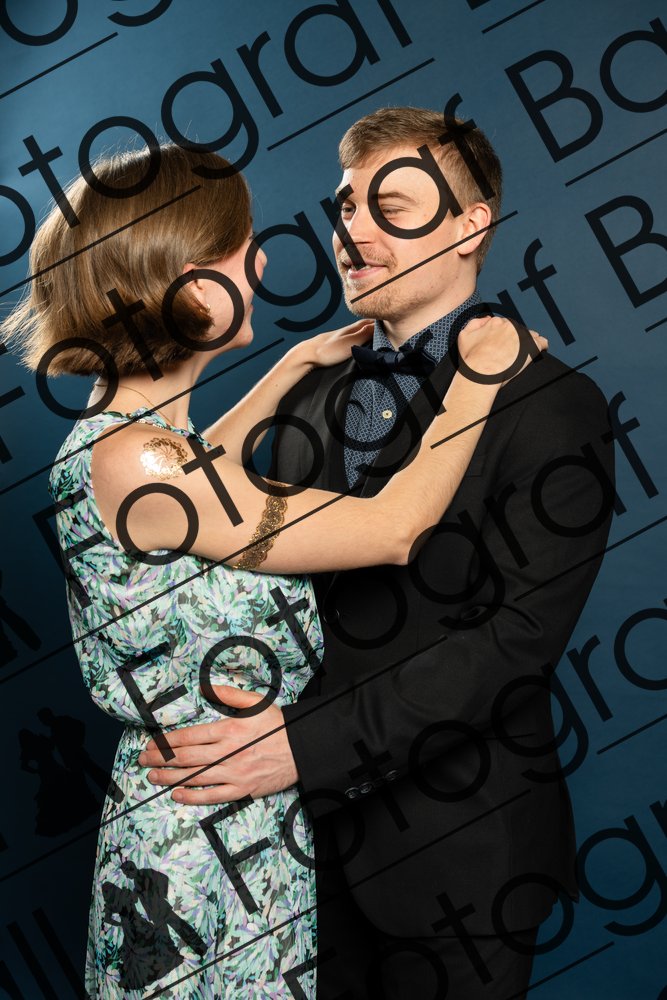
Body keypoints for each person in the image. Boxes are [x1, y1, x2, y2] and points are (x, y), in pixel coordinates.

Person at [2, 141, 544, 998]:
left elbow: (197, 471)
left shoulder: (139, 448)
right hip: (200, 854)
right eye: (239, 251)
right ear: (188, 283)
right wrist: (477, 376)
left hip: (247, 829)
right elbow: (395, 529)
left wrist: (286, 371)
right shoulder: (138, 465)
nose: (260, 265)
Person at [139, 109, 615, 999]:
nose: (351, 232)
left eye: (388, 209)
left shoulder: (553, 406)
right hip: (281, 856)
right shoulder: (306, 389)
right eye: (346, 207)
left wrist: (305, 745)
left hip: (462, 858)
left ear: (469, 225)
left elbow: (513, 643)